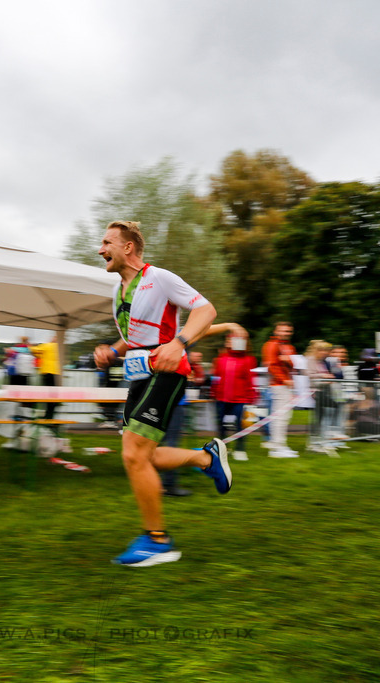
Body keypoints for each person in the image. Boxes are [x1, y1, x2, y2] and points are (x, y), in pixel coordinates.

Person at [93, 220, 228, 567]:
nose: (100, 249)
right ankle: (206, 459)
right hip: (140, 374)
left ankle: (158, 541)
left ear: (128, 248)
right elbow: (134, 335)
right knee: (143, 456)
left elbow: (206, 310)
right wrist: (112, 349)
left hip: (167, 369)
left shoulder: (160, 277)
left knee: (133, 454)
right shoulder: (119, 290)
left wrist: (179, 343)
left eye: (107, 242)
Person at [212, 327, 257, 461]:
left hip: (240, 399)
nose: (231, 342)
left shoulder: (248, 359)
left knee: (240, 425)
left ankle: (240, 449)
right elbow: (216, 377)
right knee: (220, 424)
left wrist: (251, 397)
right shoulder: (221, 359)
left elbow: (250, 379)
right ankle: (221, 448)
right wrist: (214, 392)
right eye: (230, 340)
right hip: (221, 398)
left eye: (237, 340)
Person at [261, 321, 298, 458]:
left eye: (288, 331)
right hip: (279, 385)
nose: (285, 333)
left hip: (287, 385)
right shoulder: (271, 345)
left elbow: (293, 364)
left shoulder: (289, 346)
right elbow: (271, 365)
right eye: (282, 331)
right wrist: (284, 379)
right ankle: (276, 448)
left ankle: (281, 445)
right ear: (276, 331)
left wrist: (287, 360)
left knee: (285, 417)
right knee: (280, 417)